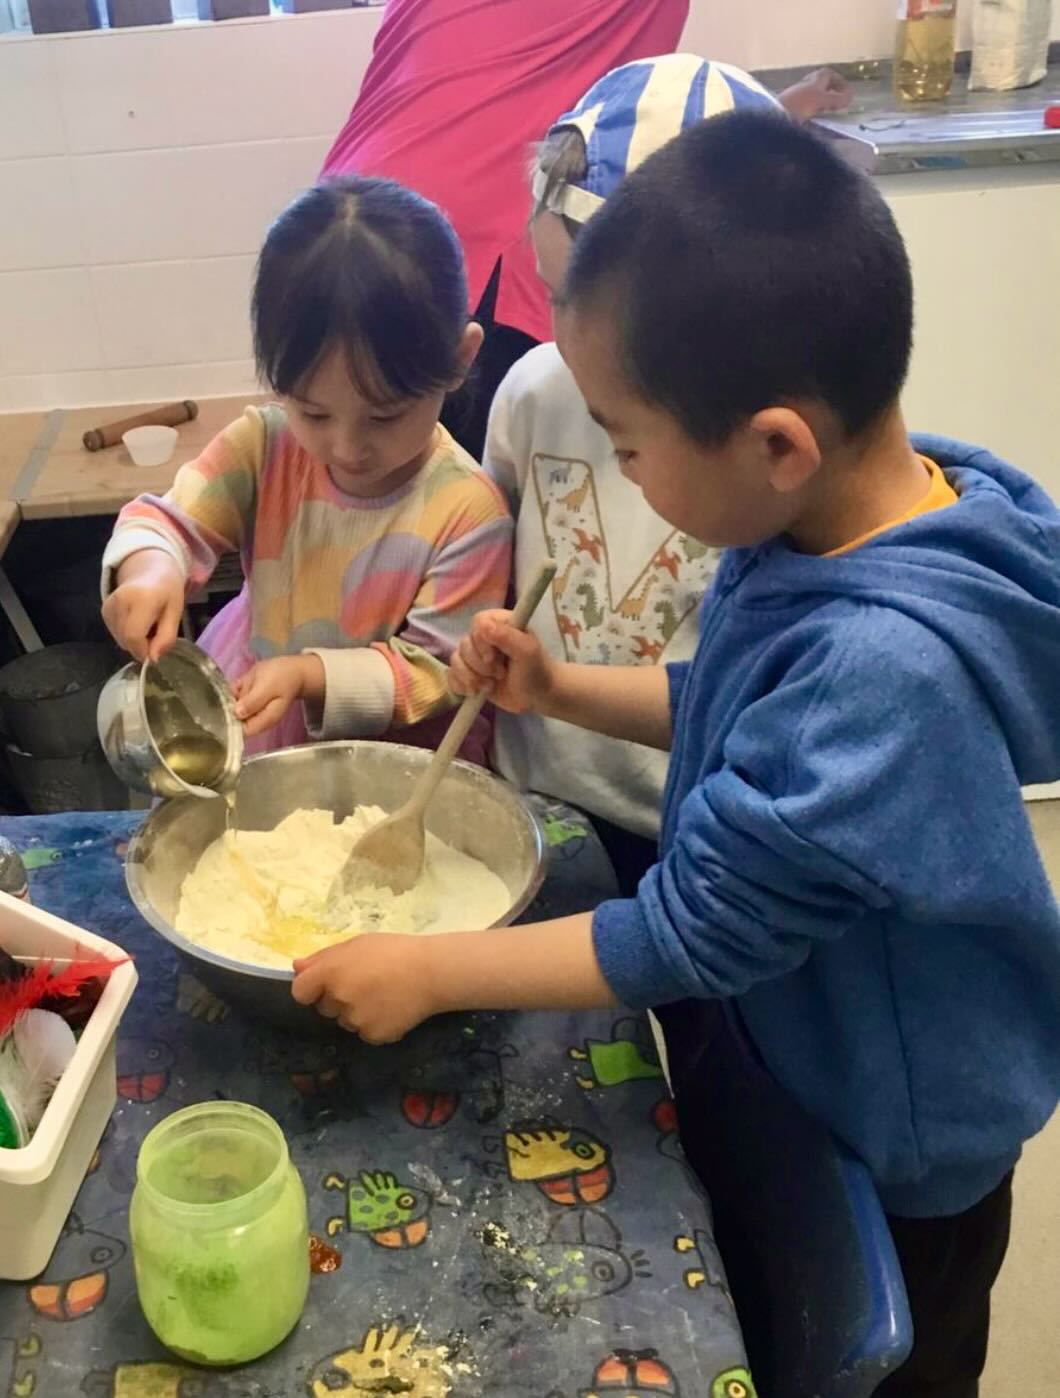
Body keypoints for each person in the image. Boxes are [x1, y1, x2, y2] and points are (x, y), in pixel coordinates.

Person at [292, 114, 1060, 1395]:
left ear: (774, 444)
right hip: (813, 1041)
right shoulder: (840, 518)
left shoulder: (887, 672)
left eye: (629, 443)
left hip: (902, 1135)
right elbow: (742, 703)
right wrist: (563, 686)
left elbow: (687, 934)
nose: (623, 471)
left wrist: (430, 967)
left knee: (886, 1366)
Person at [486, 52, 784, 895]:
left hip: (689, 832)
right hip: (538, 802)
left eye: (591, 315)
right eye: (550, 297)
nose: (565, 347)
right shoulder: (534, 390)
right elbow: (488, 548)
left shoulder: (762, 465)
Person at [321, 0, 850, 456]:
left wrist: (765, 111)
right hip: (477, 230)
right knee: (466, 524)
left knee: (344, 491)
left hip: (345, 217)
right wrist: (762, 123)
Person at [101, 177, 512, 762]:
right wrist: (149, 571)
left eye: (384, 417)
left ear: (459, 358)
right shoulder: (263, 446)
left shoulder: (468, 513)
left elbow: (435, 671)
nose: (346, 447)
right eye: (313, 412)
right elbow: (166, 521)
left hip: (387, 763)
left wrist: (309, 675)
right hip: (256, 722)